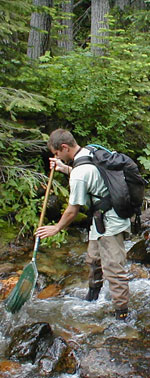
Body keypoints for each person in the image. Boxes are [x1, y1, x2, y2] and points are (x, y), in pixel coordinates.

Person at [36, 128, 131, 320]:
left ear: (64, 147)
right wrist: (63, 168)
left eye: (56, 153)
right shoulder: (88, 151)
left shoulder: (80, 172)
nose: (56, 157)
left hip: (110, 221)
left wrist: (56, 228)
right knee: (93, 259)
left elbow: (73, 210)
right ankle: (93, 296)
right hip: (100, 219)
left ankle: (122, 315)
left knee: (113, 268)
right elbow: (90, 175)